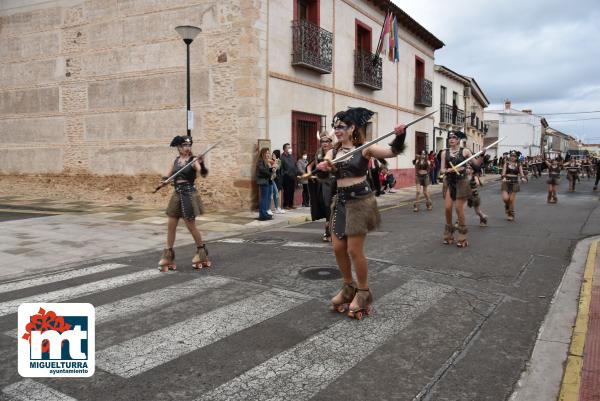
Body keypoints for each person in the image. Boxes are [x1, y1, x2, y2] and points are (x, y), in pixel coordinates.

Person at [316, 107, 407, 320]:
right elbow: (325, 175)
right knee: (338, 248)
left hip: (360, 202)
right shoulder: (333, 152)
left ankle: (363, 292)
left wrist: (400, 136)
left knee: (354, 251)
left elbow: (392, 152)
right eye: (335, 127)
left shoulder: (364, 149)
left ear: (352, 128)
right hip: (341, 201)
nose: (337, 131)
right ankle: (348, 287)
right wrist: (323, 169)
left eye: (341, 127)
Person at [158, 135, 210, 272]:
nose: (187, 148)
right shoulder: (176, 161)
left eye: (189, 145)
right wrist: (164, 181)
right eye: (184, 146)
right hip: (177, 194)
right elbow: (168, 175)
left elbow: (203, 173)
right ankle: (168, 255)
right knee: (171, 225)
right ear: (179, 147)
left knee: (191, 226)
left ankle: (201, 252)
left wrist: (202, 163)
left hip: (188, 194)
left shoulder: (193, 161)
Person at [440, 131, 484, 247]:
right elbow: (442, 169)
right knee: (448, 208)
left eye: (454, 137)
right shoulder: (444, 153)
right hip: (450, 182)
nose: (451, 139)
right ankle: (449, 232)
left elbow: (476, 165)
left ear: (458, 140)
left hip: (462, 182)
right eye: (449, 137)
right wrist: (447, 170)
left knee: (459, 209)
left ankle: (462, 235)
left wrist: (482, 155)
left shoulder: (465, 151)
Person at [307, 130, 336, 242]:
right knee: (327, 206)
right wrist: (310, 174)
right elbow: (310, 165)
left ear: (330, 142)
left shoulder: (336, 151)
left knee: (336, 207)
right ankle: (328, 230)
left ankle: (332, 230)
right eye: (322, 141)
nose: (324, 143)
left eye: (327, 141)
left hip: (336, 182)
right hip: (323, 184)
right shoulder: (318, 153)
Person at [501, 150, 526, 221]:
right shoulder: (506, 163)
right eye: (511, 155)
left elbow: (521, 173)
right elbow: (503, 173)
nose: (512, 157)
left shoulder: (519, 164)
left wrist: (523, 178)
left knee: (511, 199)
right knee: (505, 199)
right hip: (506, 182)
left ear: (516, 157)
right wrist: (504, 177)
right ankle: (507, 206)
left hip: (514, 182)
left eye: (514, 156)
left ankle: (511, 213)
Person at [255, 147, 274, 221]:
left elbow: (266, 170)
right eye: (266, 153)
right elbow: (262, 170)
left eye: (268, 153)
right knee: (264, 198)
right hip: (263, 181)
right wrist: (271, 172)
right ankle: (262, 215)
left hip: (267, 181)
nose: (268, 154)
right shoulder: (260, 161)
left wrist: (271, 169)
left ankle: (265, 213)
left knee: (267, 198)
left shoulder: (265, 161)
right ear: (263, 153)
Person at [280, 143, 297, 209]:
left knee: (292, 190)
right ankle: (286, 205)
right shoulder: (282, 157)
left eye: (290, 147)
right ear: (284, 149)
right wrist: (285, 173)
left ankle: (291, 204)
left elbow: (294, 165)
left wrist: (296, 172)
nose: (290, 149)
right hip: (286, 177)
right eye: (288, 147)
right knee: (287, 191)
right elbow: (281, 168)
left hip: (293, 176)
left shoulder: (291, 156)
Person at [270, 150, 285, 214]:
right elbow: (272, 169)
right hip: (272, 179)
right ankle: (274, 208)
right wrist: (274, 163)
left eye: (274, 154)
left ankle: (277, 208)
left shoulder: (279, 161)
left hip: (277, 179)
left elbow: (277, 168)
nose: (273, 156)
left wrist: (276, 162)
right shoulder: (271, 161)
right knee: (274, 194)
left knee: (276, 194)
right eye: (272, 154)